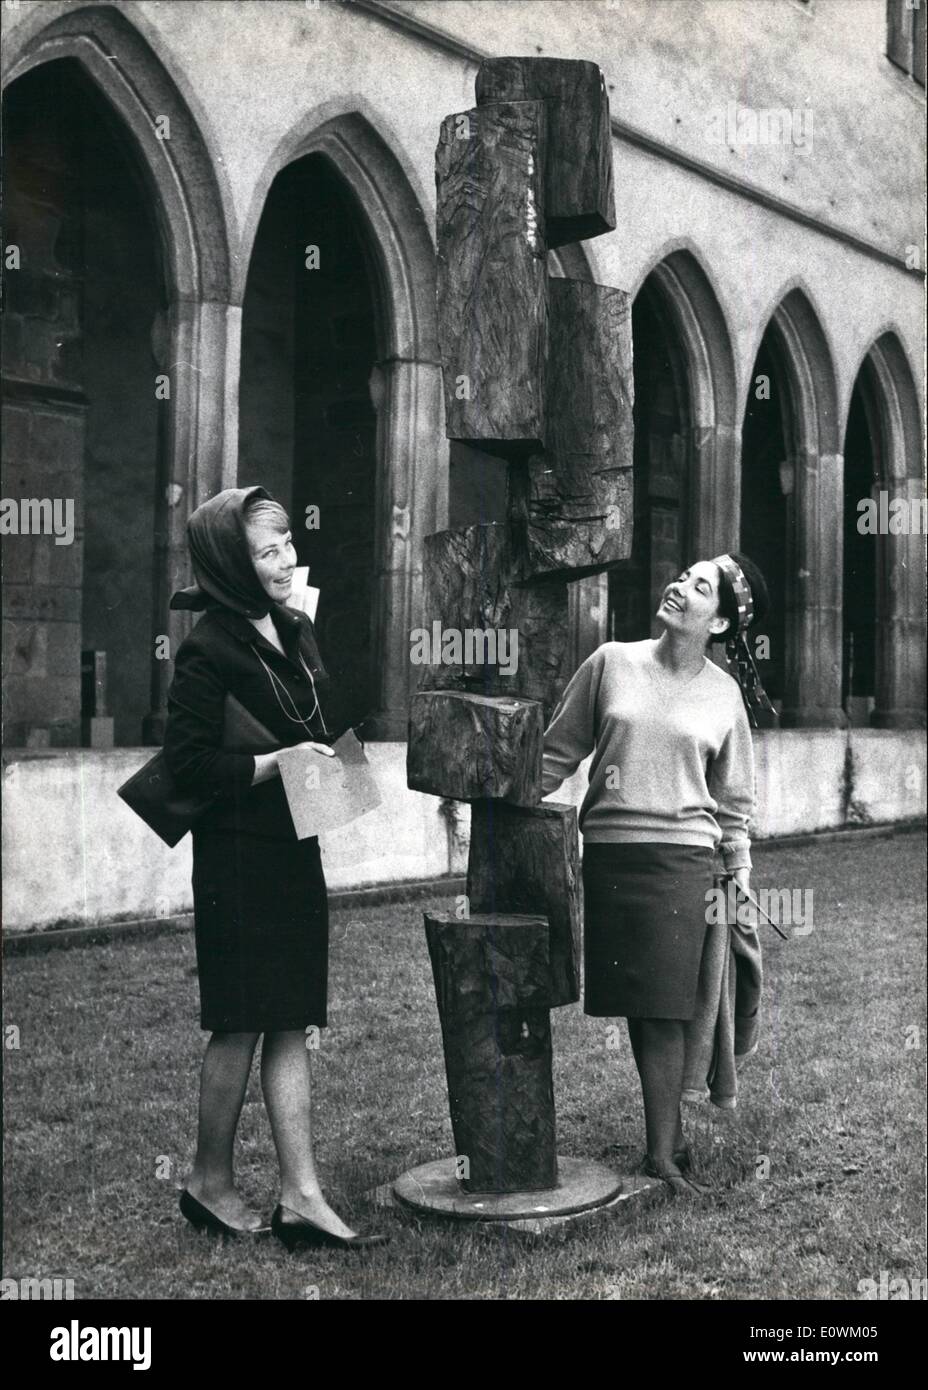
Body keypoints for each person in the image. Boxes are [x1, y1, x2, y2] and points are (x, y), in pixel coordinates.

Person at [163, 485, 387, 1249]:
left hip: (294, 844)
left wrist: (308, 649)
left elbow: (323, 726)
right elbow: (188, 767)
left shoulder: (291, 629)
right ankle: (208, 1182)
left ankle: (301, 1196)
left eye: (288, 541)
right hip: (235, 858)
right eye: (266, 550)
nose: (287, 557)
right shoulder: (207, 647)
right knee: (239, 1022)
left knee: (290, 1016)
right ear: (232, 563)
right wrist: (273, 762)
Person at [542, 553, 775, 1195]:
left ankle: (662, 1156)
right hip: (613, 858)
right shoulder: (611, 662)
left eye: (699, 587)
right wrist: (504, 807)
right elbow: (558, 752)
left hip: (684, 862)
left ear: (720, 621)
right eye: (682, 576)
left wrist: (740, 873)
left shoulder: (724, 695)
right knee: (642, 1006)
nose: (678, 586)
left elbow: (733, 804)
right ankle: (666, 1136)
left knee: (671, 1008)